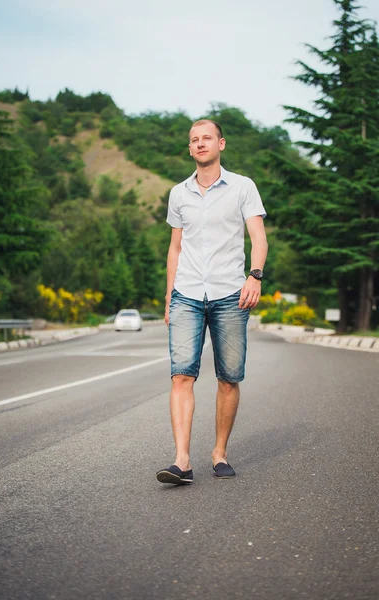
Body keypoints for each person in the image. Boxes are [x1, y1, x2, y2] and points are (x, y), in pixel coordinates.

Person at [156, 119, 268, 485]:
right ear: (189, 149)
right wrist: (169, 293)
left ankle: (219, 453)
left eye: (207, 138)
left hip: (229, 294)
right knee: (181, 375)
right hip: (187, 294)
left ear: (221, 143)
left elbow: (258, 237)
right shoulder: (178, 193)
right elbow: (175, 247)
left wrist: (255, 275)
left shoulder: (242, 187)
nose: (201, 144)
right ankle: (182, 461)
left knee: (228, 378)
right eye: (194, 140)